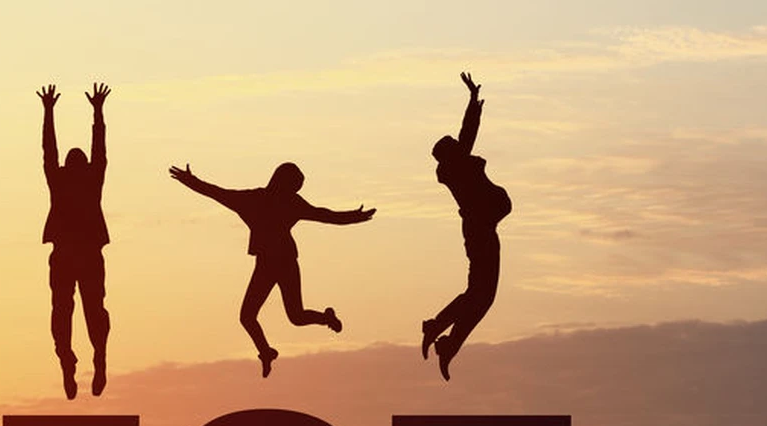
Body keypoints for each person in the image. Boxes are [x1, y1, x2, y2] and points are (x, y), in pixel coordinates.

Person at [169, 161, 375, 378]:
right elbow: (216, 193)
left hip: (283, 262)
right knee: (251, 316)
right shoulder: (260, 200)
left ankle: (325, 319)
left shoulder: (271, 201)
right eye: (294, 186)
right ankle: (266, 352)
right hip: (270, 263)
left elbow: (324, 215)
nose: (294, 192)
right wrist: (190, 181)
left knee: (292, 316)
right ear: (285, 183)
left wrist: (354, 217)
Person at [421, 72, 512, 381]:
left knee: (480, 295)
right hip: (480, 232)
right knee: (481, 295)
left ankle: (446, 340)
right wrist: (472, 102)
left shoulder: (454, 167)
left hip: (481, 230)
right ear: (449, 153)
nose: (459, 144)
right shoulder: (455, 167)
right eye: (453, 145)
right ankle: (439, 330)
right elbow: (468, 132)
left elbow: (466, 135)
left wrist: (473, 101)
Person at [38, 83, 113, 399]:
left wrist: (50, 111)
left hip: (75, 254)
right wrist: (96, 112)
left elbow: (51, 151)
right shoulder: (86, 179)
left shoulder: (68, 179)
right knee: (82, 309)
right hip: (75, 254)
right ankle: (73, 361)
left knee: (75, 310)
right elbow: (95, 151)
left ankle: (86, 359)